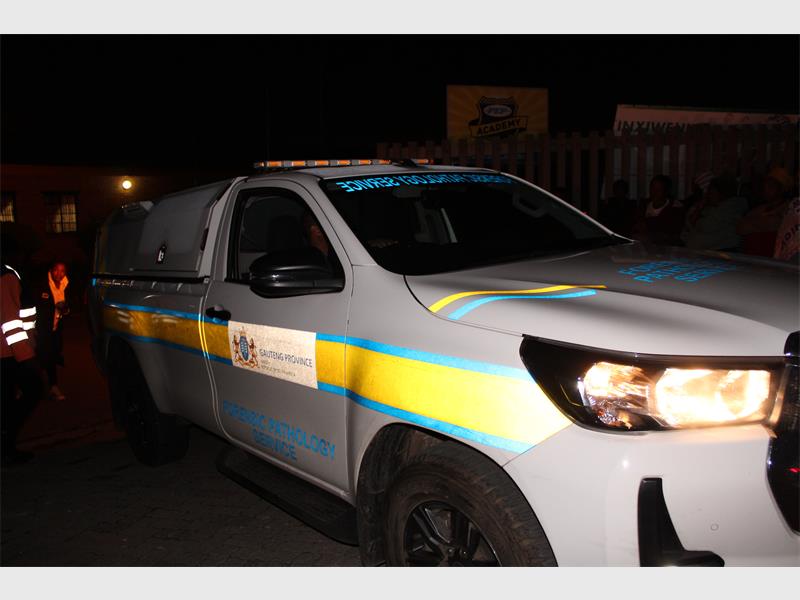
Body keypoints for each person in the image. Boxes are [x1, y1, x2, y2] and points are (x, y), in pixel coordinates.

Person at [1, 236, 43, 466]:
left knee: (8, 401)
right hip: (8, 354)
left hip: (8, 353)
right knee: (31, 392)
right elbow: (11, 323)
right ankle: (6, 447)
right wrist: (27, 357)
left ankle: (6, 445)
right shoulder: (6, 276)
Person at [680, 175, 749, 251]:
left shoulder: (732, 208)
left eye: (711, 191)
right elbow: (689, 223)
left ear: (722, 193)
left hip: (721, 252)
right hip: (698, 251)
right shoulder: (708, 207)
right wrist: (699, 209)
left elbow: (705, 226)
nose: (708, 195)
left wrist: (697, 221)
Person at [736, 167, 794, 257]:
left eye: (771, 186)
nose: (766, 189)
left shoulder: (789, 208)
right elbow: (740, 227)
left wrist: (756, 224)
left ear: (781, 189)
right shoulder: (760, 208)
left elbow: (776, 224)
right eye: (765, 186)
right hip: (751, 257)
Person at [34, 261, 70, 401]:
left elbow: (67, 307)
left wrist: (65, 309)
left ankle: (52, 386)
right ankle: (31, 386)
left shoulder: (65, 286)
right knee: (41, 358)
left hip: (56, 330)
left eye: (62, 271)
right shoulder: (43, 286)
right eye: (56, 270)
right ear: (51, 270)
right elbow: (36, 307)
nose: (59, 274)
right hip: (43, 330)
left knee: (51, 357)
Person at [632, 175, 685, 246]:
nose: (654, 192)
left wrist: (648, 224)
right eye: (652, 188)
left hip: (666, 245)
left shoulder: (675, 206)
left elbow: (671, 229)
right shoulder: (644, 204)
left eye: (658, 189)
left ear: (666, 191)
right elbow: (636, 224)